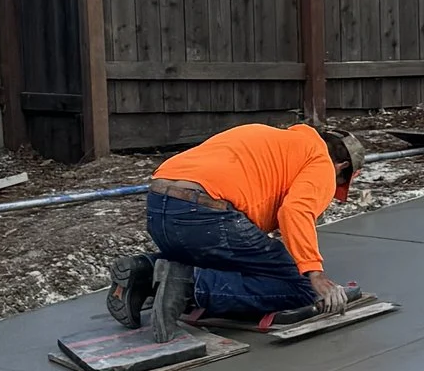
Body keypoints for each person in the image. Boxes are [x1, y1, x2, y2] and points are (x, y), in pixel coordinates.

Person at [111, 119, 366, 334]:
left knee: (231, 259)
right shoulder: (321, 161)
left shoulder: (271, 138)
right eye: (339, 182)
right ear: (341, 167)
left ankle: (144, 270)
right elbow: (295, 211)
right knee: (298, 286)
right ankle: (186, 285)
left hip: (159, 207)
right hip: (206, 215)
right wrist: (314, 273)